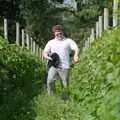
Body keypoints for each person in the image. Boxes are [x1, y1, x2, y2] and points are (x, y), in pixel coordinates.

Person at [43, 24, 79, 97]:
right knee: (49, 81)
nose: (59, 35)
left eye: (60, 33)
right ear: (54, 34)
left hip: (65, 66)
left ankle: (65, 99)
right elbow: (44, 52)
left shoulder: (68, 41)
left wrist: (76, 55)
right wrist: (48, 57)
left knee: (65, 84)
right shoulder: (51, 42)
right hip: (54, 65)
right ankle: (51, 97)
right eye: (57, 34)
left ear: (63, 32)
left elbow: (76, 48)